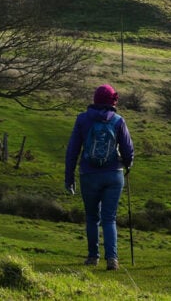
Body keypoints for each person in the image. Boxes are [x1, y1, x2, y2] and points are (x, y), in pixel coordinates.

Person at [65, 84, 134, 271]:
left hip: (89, 174)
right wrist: (128, 165)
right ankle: (112, 258)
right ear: (113, 101)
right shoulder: (119, 121)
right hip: (114, 174)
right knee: (109, 218)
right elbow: (128, 149)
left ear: (95, 99)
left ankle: (93, 256)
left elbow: (72, 150)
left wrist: (69, 176)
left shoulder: (82, 120)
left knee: (91, 217)